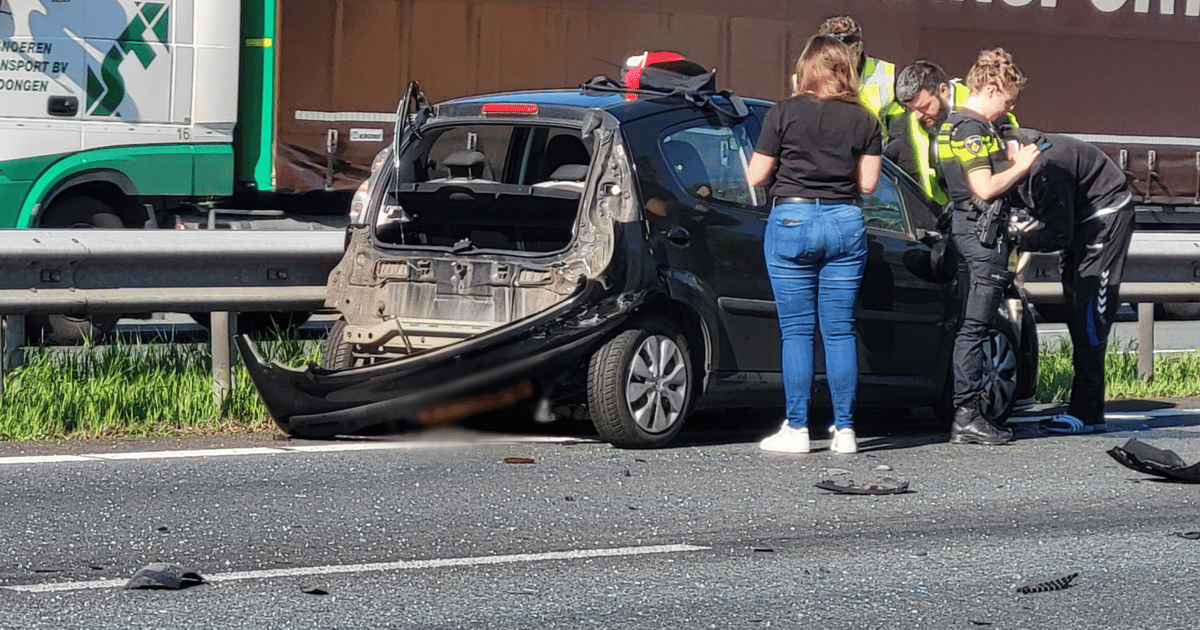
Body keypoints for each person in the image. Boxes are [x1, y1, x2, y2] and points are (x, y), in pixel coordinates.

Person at [749, 35, 882, 455]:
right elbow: (868, 184)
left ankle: (797, 427)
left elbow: (756, 175)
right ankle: (845, 431)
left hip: (792, 217)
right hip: (844, 221)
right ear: (846, 70)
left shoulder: (783, 112)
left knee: (797, 332)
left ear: (806, 68)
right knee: (840, 329)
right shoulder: (865, 119)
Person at [938, 48, 1041, 445]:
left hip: (964, 230)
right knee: (975, 328)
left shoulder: (950, 126)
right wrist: (1021, 165)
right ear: (992, 87)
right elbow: (983, 188)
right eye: (1008, 96)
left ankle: (966, 411)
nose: (1011, 105)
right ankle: (968, 416)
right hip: (981, 237)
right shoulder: (971, 128)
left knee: (969, 326)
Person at [1005, 128, 1135, 434]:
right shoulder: (1010, 151)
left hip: (1105, 217)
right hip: (1080, 217)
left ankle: (1086, 412)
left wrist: (1017, 237)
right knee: (1076, 307)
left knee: (1089, 313)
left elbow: (1057, 234)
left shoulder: (1046, 172)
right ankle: (1087, 407)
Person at [887, 60, 1020, 205]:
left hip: (983, 206)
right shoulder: (907, 123)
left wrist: (1013, 146)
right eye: (913, 109)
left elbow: (1009, 128)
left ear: (943, 90)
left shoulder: (978, 103)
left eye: (924, 107)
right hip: (940, 210)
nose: (918, 116)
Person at [793, 16, 902, 141]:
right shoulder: (806, 78)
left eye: (846, 54)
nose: (840, 63)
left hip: (873, 155)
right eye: (830, 58)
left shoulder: (885, 76)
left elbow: (899, 135)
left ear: (859, 48)